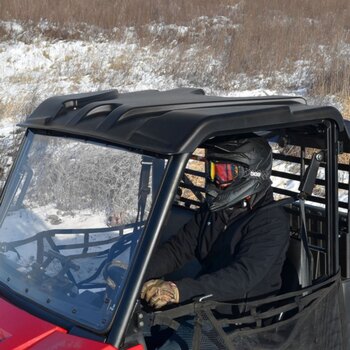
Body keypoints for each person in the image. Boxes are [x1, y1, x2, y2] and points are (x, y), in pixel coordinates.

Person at [141, 136, 290, 349]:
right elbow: (177, 249)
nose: (216, 180)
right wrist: (138, 273)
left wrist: (177, 290)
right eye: (212, 170)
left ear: (252, 173)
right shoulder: (216, 211)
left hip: (240, 323)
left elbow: (241, 277)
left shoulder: (270, 221)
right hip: (203, 310)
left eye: (225, 172)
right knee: (134, 332)